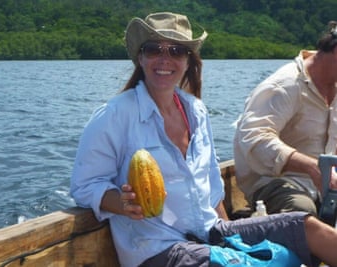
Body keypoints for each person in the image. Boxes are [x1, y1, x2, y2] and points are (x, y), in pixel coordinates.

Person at [70, 12, 337, 267]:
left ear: (188, 61)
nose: (165, 59)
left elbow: (212, 189)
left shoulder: (195, 110)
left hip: (211, 233)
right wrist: (123, 203)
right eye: (154, 49)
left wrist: (230, 240)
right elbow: (85, 186)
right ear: (141, 58)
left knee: (307, 228)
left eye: (176, 50)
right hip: (158, 248)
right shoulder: (115, 115)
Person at [233, 21, 337, 216]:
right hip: (276, 184)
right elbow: (254, 139)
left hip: (327, 188)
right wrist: (313, 168)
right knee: (302, 211)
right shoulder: (285, 86)